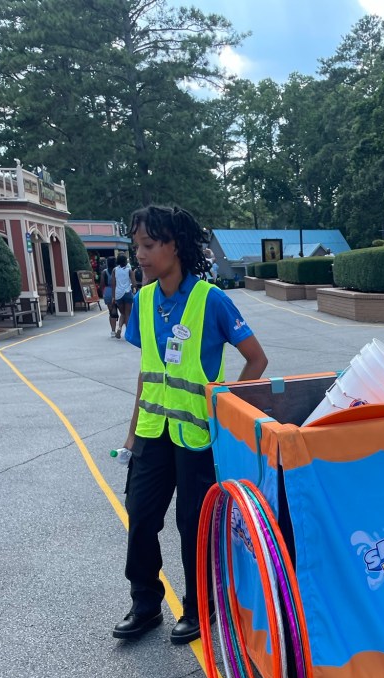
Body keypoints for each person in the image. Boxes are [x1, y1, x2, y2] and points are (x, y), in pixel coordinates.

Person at [112, 205, 269, 644]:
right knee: (141, 516)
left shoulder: (210, 299)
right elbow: (148, 370)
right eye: (136, 246)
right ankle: (145, 604)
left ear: (174, 245)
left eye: (148, 245)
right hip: (150, 432)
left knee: (192, 524)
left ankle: (201, 606)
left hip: (197, 436)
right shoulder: (143, 301)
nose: (139, 255)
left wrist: (226, 410)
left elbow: (256, 358)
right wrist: (130, 431)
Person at [111, 253, 135, 339]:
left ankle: (120, 328)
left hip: (118, 295)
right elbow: (134, 283)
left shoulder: (114, 270)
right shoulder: (129, 270)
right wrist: (134, 288)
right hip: (127, 293)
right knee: (127, 314)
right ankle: (128, 333)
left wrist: (113, 296)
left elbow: (113, 284)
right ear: (125, 261)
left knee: (123, 314)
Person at [100, 256, 118, 337]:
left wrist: (103, 292)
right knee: (123, 312)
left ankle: (113, 331)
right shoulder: (117, 271)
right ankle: (121, 327)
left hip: (107, 291)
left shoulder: (104, 272)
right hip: (117, 290)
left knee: (111, 312)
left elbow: (102, 283)